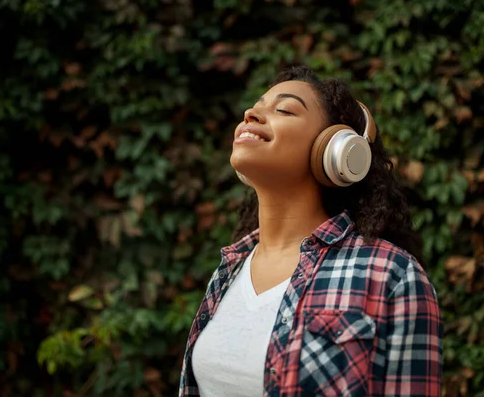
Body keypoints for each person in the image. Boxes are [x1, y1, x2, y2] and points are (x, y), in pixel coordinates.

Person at [179, 65, 442, 397]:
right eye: (256, 106)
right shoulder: (229, 270)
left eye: (285, 110)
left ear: (336, 150)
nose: (251, 114)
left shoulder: (390, 275)